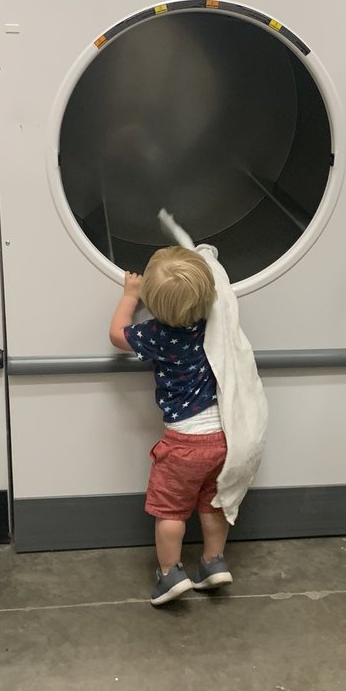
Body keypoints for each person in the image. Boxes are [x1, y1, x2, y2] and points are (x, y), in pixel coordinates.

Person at [109, 246, 233, 606]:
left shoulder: (157, 335)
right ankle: (213, 562)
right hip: (221, 440)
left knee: (171, 511)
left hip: (183, 443)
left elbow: (117, 334)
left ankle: (170, 574)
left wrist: (130, 294)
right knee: (212, 504)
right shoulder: (212, 325)